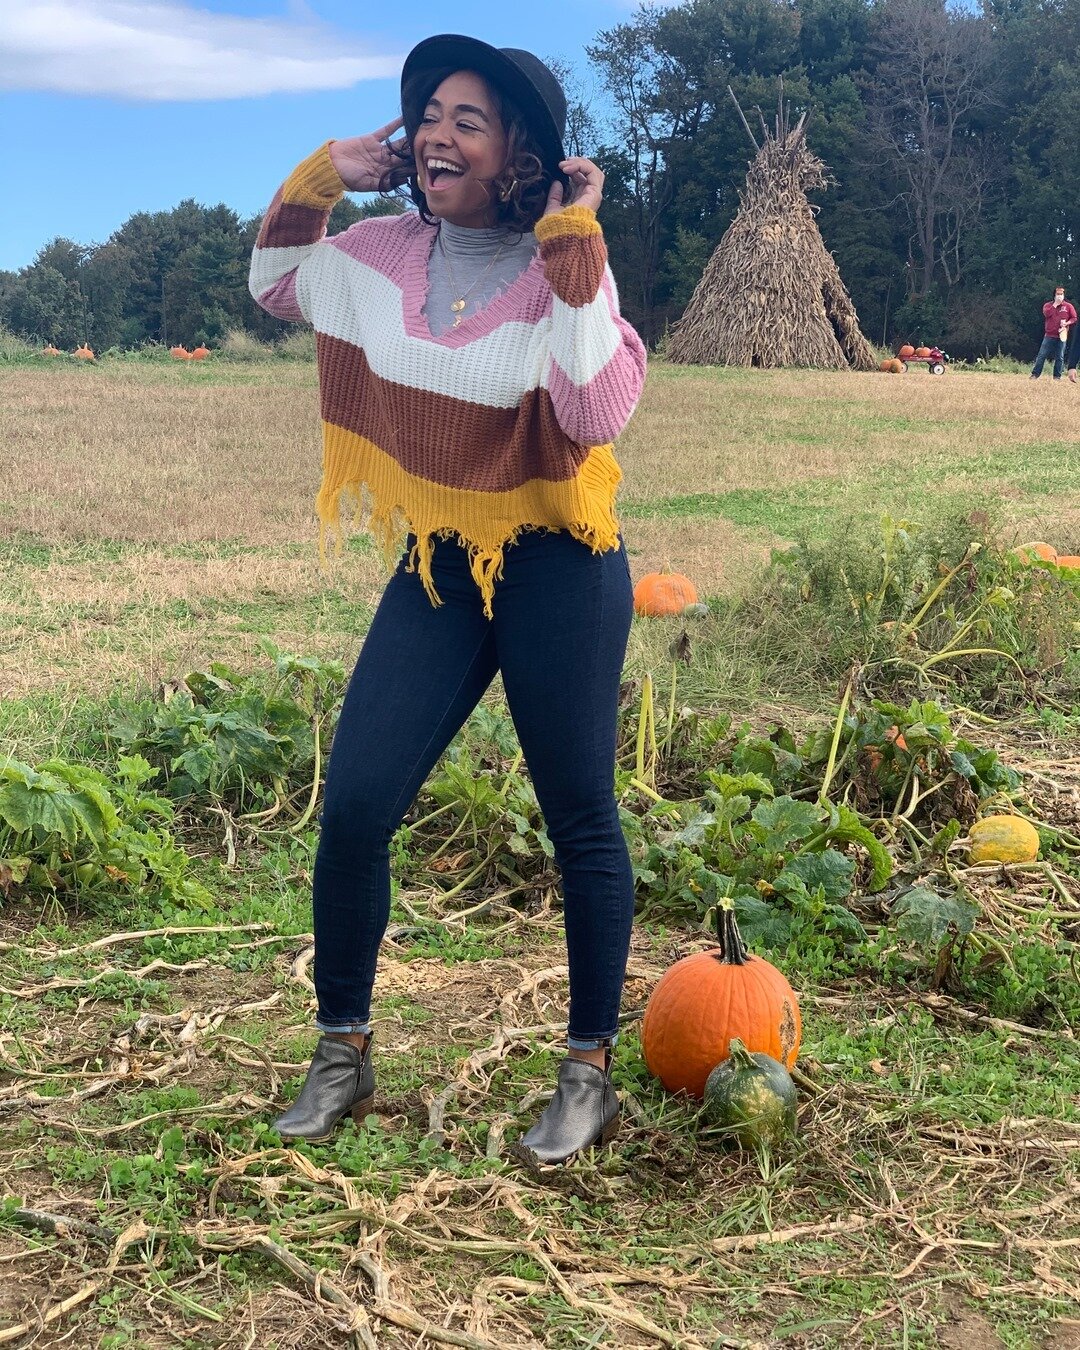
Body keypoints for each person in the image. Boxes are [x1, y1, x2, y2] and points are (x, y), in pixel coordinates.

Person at [248, 34, 646, 1165]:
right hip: (438, 561)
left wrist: (574, 246)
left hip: (559, 563)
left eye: (467, 120)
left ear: (521, 148)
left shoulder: (565, 263)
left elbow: (596, 406)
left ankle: (588, 1073)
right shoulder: (376, 252)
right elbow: (275, 282)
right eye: (428, 115)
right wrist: (329, 170)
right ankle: (342, 1054)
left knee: (580, 818)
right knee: (359, 800)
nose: (435, 134)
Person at [1030, 284, 1076, 379]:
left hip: (1062, 334)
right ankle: (1035, 374)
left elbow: (1074, 318)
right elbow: (1047, 314)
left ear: (1064, 295)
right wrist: (1055, 304)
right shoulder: (1048, 305)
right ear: (1054, 295)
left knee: (1060, 357)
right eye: (1058, 294)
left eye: (1061, 294)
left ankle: (1057, 376)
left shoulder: (1068, 306)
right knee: (1042, 355)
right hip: (1049, 335)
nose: (1060, 296)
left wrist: (1067, 323)